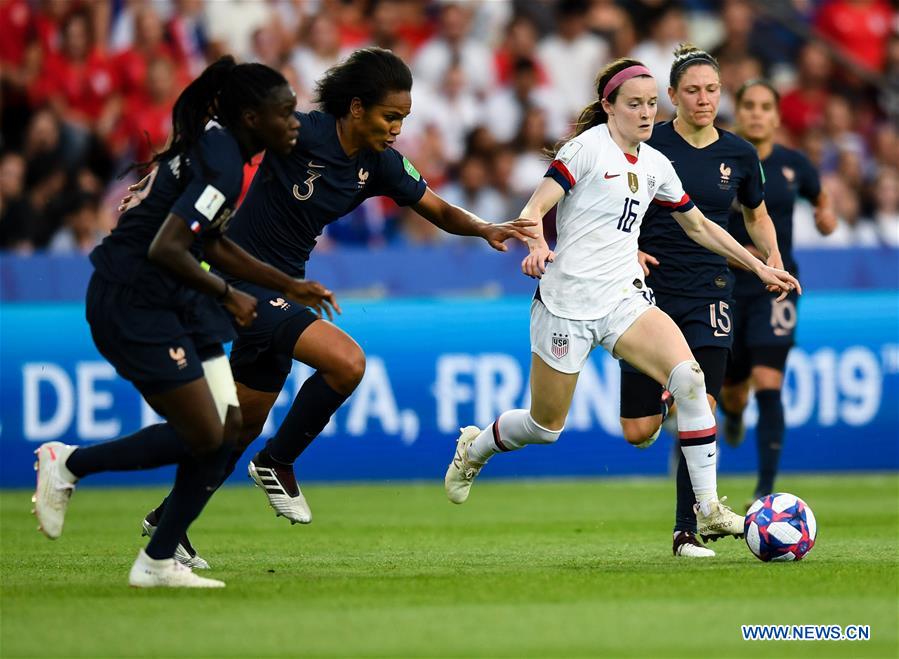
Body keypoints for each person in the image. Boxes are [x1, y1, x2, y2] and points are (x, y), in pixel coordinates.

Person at [131, 48, 537, 566]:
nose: (397, 128)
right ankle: (277, 464)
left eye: (404, 119)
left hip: (282, 285)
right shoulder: (301, 132)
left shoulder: (381, 164)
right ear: (354, 108)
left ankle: (172, 522)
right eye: (391, 116)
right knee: (346, 362)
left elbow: (434, 207)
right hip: (239, 275)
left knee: (237, 427)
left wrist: (482, 226)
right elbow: (228, 133)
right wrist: (165, 180)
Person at [442, 58, 801, 547]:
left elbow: (698, 225)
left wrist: (759, 266)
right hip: (567, 303)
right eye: (635, 104)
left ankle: (709, 509)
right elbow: (534, 209)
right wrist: (537, 245)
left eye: (652, 103)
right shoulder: (585, 150)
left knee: (690, 380)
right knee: (545, 427)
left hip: (623, 299)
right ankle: (475, 447)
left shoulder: (655, 163)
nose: (646, 113)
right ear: (609, 106)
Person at [31, 57, 338, 588]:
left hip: (176, 297)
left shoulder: (220, 145)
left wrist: (287, 285)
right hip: (133, 299)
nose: (295, 123)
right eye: (284, 114)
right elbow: (168, 246)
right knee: (206, 434)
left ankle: (158, 560)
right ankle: (69, 462)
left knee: (229, 431)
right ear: (251, 117)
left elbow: (210, 241)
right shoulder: (222, 163)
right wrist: (230, 296)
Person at [616, 45, 789, 559]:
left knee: (703, 408)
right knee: (639, 430)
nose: (703, 99)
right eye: (691, 90)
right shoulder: (647, 145)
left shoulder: (738, 154)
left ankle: (685, 531)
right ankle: (669, 397)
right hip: (647, 296)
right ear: (671, 96)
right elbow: (611, 203)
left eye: (711, 89)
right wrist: (630, 248)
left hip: (712, 292)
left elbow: (754, 214)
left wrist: (772, 257)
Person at [719, 79, 836, 504]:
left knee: (769, 381)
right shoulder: (722, 159)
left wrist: (826, 216)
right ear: (739, 111)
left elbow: (821, 198)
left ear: (776, 115)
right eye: (748, 105)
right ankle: (733, 411)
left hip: (776, 288)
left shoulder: (793, 164)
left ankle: (764, 490)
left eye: (765, 106)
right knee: (731, 388)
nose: (756, 113)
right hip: (726, 287)